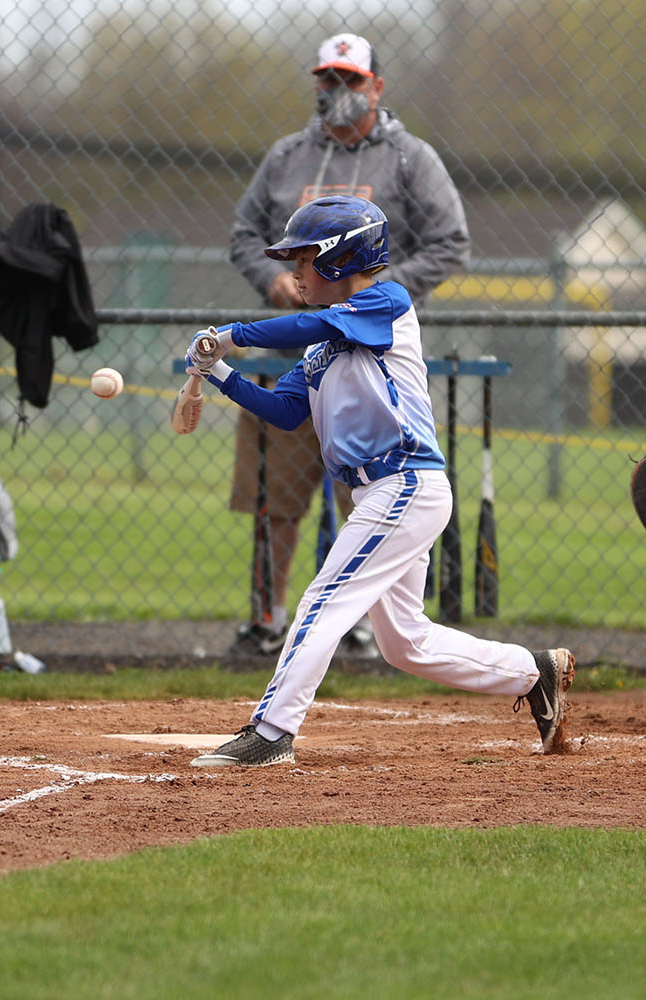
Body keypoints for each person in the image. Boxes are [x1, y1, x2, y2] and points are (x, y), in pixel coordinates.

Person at [183, 195, 570, 767]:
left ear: (341, 258)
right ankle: (532, 672)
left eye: (305, 258)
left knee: (323, 600)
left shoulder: (383, 302)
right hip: (385, 494)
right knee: (404, 642)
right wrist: (217, 371)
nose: (294, 271)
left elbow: (309, 321)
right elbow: (286, 411)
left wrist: (233, 333)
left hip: (404, 485)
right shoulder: (323, 346)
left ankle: (271, 731)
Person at [224, 32, 470, 658]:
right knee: (275, 495)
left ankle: (358, 623)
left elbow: (450, 242)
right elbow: (245, 233)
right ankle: (266, 617)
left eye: (350, 80)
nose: (336, 91)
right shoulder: (286, 156)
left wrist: (372, 299)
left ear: (376, 87)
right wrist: (277, 278)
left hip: (370, 360)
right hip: (292, 350)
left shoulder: (410, 157)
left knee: (367, 490)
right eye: (327, 79)